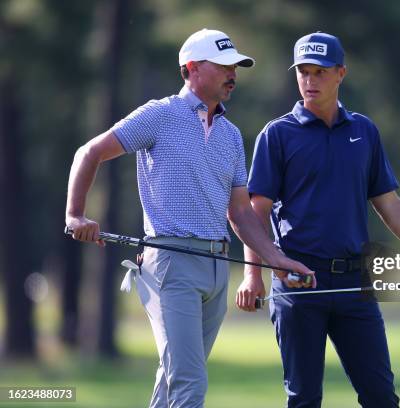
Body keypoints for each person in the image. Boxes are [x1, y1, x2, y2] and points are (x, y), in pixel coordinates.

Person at [65, 28, 314, 408]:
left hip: (215, 269)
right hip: (171, 265)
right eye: (224, 66)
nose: (233, 74)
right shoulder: (160, 115)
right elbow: (89, 152)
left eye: (236, 67)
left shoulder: (231, 135)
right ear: (193, 68)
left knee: (172, 381)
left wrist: (274, 260)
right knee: (190, 383)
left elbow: (241, 214)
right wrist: (76, 214)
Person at [236, 32, 400, 408]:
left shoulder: (364, 132)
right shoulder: (277, 135)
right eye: (303, 72)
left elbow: (389, 204)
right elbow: (254, 213)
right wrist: (253, 274)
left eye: (319, 72)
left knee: (381, 397)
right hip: (299, 283)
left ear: (341, 73)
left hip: (355, 284)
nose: (310, 81)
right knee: (304, 399)